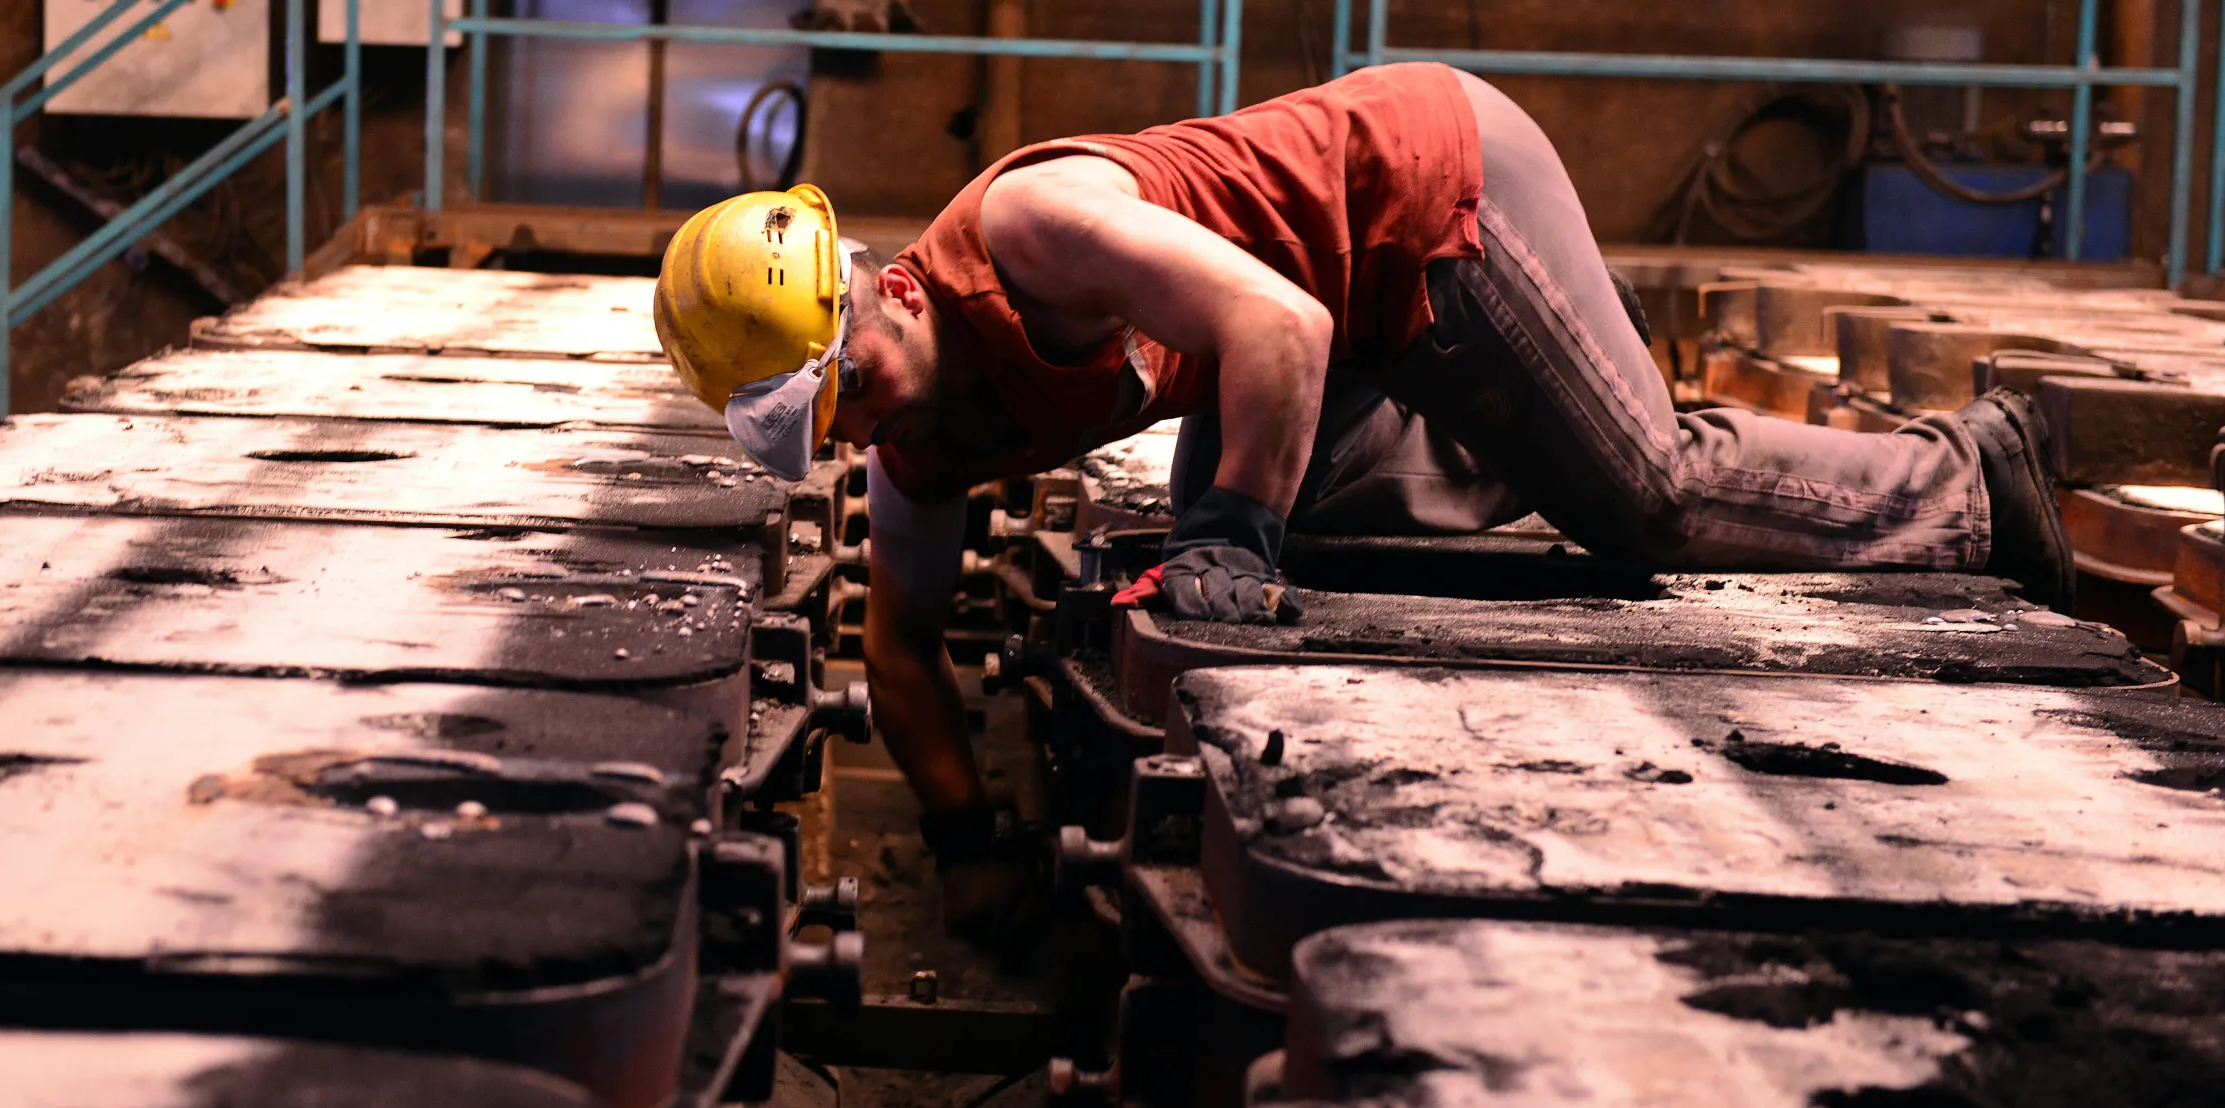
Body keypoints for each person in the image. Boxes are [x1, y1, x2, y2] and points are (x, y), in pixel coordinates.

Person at [651, 63, 2074, 930]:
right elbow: (896, 646)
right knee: (1320, 524)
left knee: (1647, 503)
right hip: (1326, 318)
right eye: (827, 419)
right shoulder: (919, 441)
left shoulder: (1034, 231)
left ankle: (1976, 484)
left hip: (1423, 193)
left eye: (856, 380)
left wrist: (1225, 534)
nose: (861, 421)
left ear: (889, 290)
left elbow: (1281, 332)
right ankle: (1538, 412)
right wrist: (961, 836)